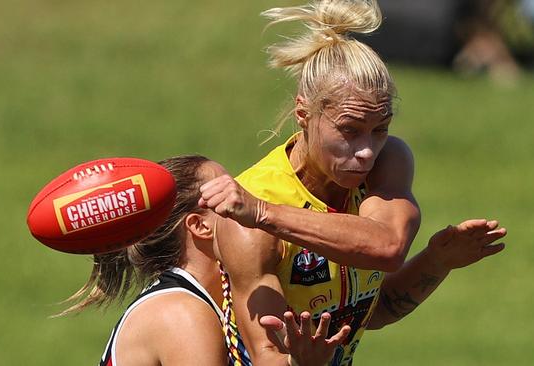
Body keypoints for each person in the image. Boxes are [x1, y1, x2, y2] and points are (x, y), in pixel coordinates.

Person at [198, 1, 507, 365]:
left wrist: (436, 262)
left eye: (380, 130)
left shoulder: (386, 163)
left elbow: (375, 296)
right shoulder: (249, 221)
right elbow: (267, 356)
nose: (366, 152)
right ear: (303, 113)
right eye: (349, 130)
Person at [60, 155, 350, 366]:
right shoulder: (182, 314)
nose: (246, 201)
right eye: (229, 196)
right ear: (200, 226)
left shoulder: (216, 307)